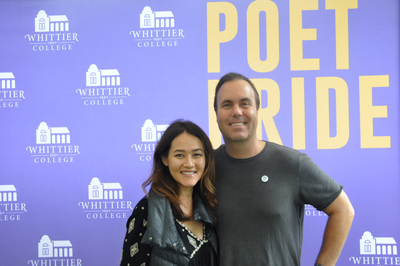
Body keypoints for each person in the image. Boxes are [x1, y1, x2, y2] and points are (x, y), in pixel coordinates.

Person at [213, 72, 355, 266]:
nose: (236, 111)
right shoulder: (204, 167)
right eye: (227, 104)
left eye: (245, 103)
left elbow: (343, 210)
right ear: (216, 114)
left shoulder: (291, 163)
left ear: (256, 110)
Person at [120, 120, 218, 266]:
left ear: (206, 159)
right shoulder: (147, 210)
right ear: (165, 159)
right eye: (179, 155)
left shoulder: (209, 206)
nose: (189, 163)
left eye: (197, 154)